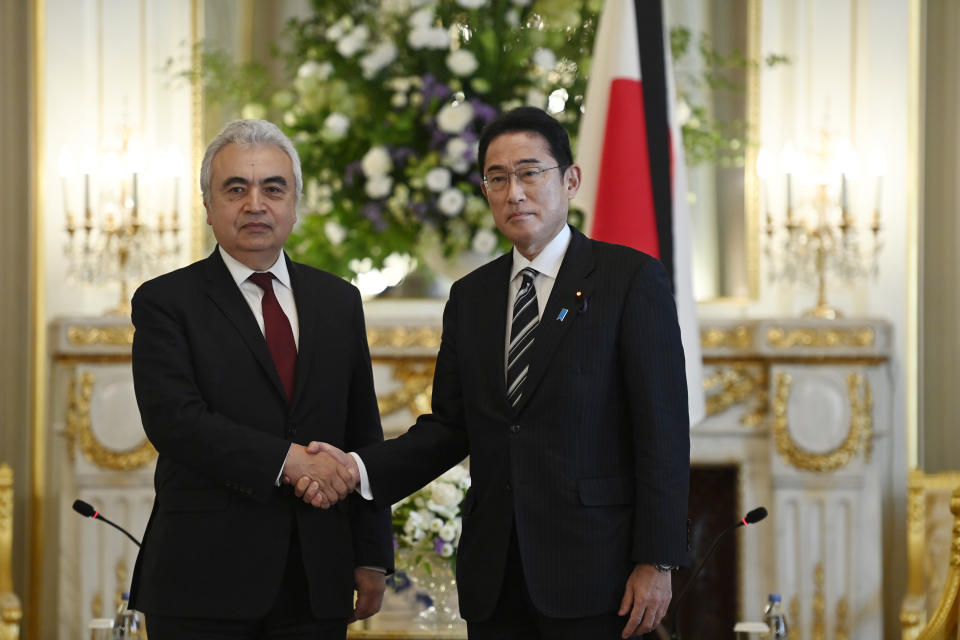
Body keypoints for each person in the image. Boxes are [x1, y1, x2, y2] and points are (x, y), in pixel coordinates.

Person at [298, 106, 691, 639]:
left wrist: (658, 560)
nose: (515, 192)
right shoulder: (471, 297)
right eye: (498, 178)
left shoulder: (628, 280)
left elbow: (662, 433)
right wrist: (357, 469)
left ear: (570, 180)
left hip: (598, 574)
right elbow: (449, 427)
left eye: (531, 172)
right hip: (496, 578)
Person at [128, 119, 392, 640]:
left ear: (296, 202)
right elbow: (175, 421)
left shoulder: (339, 301)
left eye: (273, 188)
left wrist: (373, 554)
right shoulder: (166, 302)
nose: (255, 203)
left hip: (316, 580)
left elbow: (363, 431)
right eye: (235, 189)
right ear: (208, 205)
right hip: (202, 581)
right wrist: (287, 460)